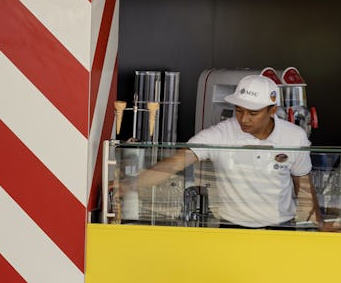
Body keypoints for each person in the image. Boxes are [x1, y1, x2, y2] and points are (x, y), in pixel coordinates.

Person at [128, 74, 320, 229]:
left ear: (272, 110)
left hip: (281, 229)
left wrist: (317, 224)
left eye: (253, 113)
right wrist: (130, 185)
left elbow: (303, 186)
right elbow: (176, 162)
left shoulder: (294, 137)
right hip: (231, 228)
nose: (244, 119)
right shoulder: (220, 134)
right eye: (239, 110)